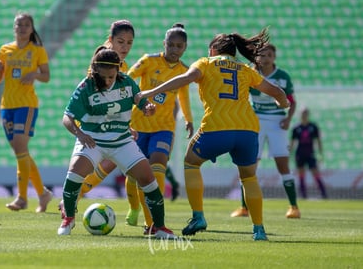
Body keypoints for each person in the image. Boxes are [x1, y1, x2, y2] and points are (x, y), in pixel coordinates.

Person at [136, 28, 290, 240]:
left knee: (191, 162)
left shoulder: (205, 63)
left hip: (217, 127)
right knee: (249, 177)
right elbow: (278, 93)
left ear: (214, 49)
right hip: (247, 130)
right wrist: (283, 103)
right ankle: (259, 230)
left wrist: (151, 92)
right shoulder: (245, 69)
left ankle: (198, 216)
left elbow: (185, 78)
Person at [57, 48, 176, 239]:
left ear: (118, 70)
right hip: (93, 139)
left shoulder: (126, 81)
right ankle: (69, 218)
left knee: (148, 178)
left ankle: (159, 227)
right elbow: (67, 117)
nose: (107, 81)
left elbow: (138, 98)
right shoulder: (86, 86)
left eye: (111, 76)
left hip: (121, 141)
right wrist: (79, 133)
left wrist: (147, 107)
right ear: (95, 71)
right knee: (75, 172)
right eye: (103, 77)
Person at [57, 19, 135, 217]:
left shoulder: (120, 64)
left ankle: (77, 195)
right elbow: (97, 95)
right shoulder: (102, 60)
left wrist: (124, 126)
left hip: (111, 122)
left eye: (129, 43)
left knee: (110, 163)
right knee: (87, 164)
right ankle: (73, 197)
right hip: (95, 124)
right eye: (120, 42)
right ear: (111, 40)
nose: (125, 47)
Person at [125, 23, 194, 233]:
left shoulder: (184, 71)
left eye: (179, 46)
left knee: (157, 166)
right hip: (138, 125)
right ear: (164, 44)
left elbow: (183, 96)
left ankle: (153, 221)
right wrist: (138, 100)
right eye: (171, 45)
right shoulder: (149, 60)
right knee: (134, 175)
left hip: (164, 127)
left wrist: (189, 119)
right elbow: (128, 77)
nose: (174, 49)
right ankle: (135, 208)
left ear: (185, 47)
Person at [230, 43, 301, 219]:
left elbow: (292, 101)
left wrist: (288, 119)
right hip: (256, 122)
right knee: (249, 164)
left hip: (277, 123)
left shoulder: (283, 76)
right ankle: (244, 207)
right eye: (262, 55)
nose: (266, 58)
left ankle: (294, 207)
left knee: (282, 165)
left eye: (269, 55)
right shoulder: (250, 73)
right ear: (257, 58)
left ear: (274, 57)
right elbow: (240, 97)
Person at [0, 12, 53, 212]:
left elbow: (46, 76)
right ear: (14, 27)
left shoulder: (37, 50)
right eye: (19, 24)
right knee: (21, 152)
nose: (23, 28)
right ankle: (43, 194)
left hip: (26, 105)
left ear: (31, 28)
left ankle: (22, 198)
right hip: (7, 105)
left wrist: (34, 74)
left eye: (27, 25)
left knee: (20, 147)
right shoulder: (5, 50)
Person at [290, 107, 327, 199]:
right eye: (303, 114)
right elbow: (292, 143)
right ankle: (303, 195)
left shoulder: (313, 126)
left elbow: (318, 141)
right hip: (300, 154)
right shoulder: (296, 128)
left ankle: (323, 194)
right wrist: (290, 153)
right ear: (300, 115)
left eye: (306, 113)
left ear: (308, 115)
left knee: (315, 173)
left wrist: (320, 153)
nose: (304, 115)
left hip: (310, 154)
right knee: (301, 174)